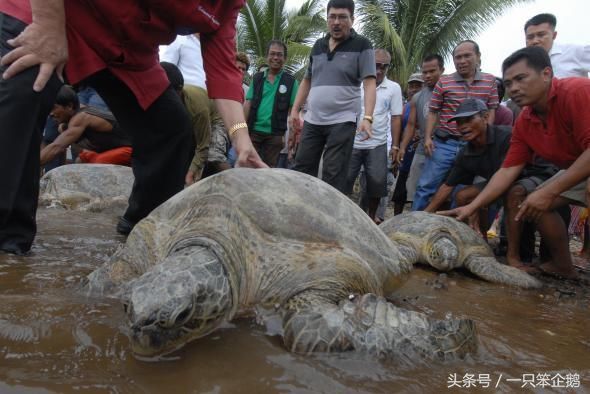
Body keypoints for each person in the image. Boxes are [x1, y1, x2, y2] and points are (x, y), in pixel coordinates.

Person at [0, 1, 266, 244]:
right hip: (56, 13)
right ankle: (9, 238)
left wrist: (242, 142)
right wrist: (47, 25)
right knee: (26, 87)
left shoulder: (226, 6)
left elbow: (222, 69)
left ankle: (145, 231)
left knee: (170, 127)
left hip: (127, 51)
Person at [440, 46, 590, 279]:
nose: (514, 88)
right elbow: (508, 169)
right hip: (576, 168)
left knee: (543, 194)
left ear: (546, 74)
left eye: (521, 78)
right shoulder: (524, 121)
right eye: (509, 83)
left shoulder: (576, 91)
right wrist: (472, 206)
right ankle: (563, 266)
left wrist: (550, 191)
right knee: (533, 200)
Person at [289, 0, 376, 193]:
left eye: (342, 17)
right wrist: (295, 110)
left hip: (343, 120)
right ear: (327, 19)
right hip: (313, 119)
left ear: (352, 20)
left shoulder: (362, 45)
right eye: (332, 17)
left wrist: (368, 118)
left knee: (333, 173)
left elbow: (369, 83)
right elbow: (307, 80)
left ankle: (328, 220)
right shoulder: (318, 45)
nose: (336, 22)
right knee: (301, 169)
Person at [412, 40, 499, 211]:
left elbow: (491, 110)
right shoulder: (444, 82)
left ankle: (454, 228)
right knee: (426, 185)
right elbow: (433, 111)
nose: (462, 60)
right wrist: (428, 138)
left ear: (478, 56)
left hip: (472, 145)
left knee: (461, 191)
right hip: (445, 143)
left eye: (467, 56)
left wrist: (486, 138)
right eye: (458, 57)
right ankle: (414, 224)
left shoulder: (490, 81)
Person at [345, 48, 402, 222]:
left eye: (384, 66)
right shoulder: (356, 83)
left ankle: (371, 218)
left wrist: (395, 146)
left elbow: (396, 118)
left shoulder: (393, 88)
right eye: (376, 65)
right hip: (352, 142)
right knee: (345, 180)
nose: (379, 70)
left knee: (377, 184)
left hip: (377, 144)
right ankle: (343, 215)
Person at [40, 85, 132, 166]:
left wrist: (29, 166)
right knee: (80, 161)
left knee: (95, 164)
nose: (50, 114)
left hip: (134, 150)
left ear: (69, 106)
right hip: (115, 150)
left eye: (53, 108)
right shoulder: (75, 113)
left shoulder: (82, 118)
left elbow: (57, 147)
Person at [397, 55, 445, 209]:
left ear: (442, 70)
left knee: (440, 191)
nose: (428, 75)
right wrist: (403, 147)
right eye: (425, 72)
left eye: (432, 71)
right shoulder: (417, 97)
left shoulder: (449, 91)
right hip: (421, 148)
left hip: (443, 146)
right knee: (416, 189)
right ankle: (416, 218)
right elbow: (411, 125)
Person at [244, 40, 299, 167]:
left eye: (279, 55)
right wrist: (242, 129)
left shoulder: (291, 82)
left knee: (269, 171)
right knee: (247, 169)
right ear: (267, 56)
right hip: (253, 132)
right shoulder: (257, 78)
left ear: (284, 58)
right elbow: (248, 103)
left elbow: (292, 112)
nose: (275, 57)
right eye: (272, 54)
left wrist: (291, 136)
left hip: (275, 135)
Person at [160, 61, 211, 185]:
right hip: (188, 120)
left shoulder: (197, 108)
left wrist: (192, 172)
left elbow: (203, 145)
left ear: (180, 91)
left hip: (214, 118)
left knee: (215, 156)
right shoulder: (160, 99)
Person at [390, 72, 422, 215]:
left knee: (419, 192)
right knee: (400, 193)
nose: (414, 89)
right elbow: (400, 129)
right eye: (412, 86)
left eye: (418, 86)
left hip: (421, 154)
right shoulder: (405, 107)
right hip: (406, 154)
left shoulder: (431, 104)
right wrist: (396, 148)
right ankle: (396, 220)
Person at [525, 13, 590, 78]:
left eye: (541, 35)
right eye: (530, 37)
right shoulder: (523, 65)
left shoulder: (574, 52)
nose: (535, 41)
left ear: (554, 35)